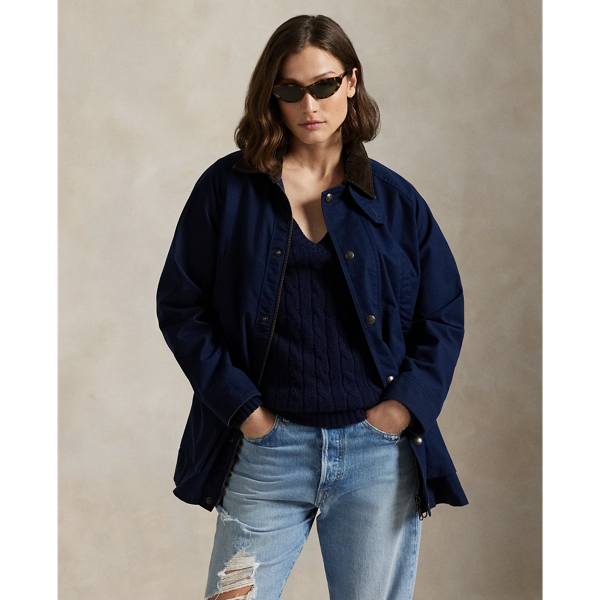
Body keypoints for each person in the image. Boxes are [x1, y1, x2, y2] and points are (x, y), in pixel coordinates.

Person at [157, 14, 467, 600]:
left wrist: (401, 409)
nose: (309, 105)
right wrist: (245, 411)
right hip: (267, 451)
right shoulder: (226, 190)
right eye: (290, 89)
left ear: (351, 82)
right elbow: (181, 306)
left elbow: (443, 314)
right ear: (270, 94)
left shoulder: (396, 203)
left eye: (324, 85)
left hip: (376, 456)